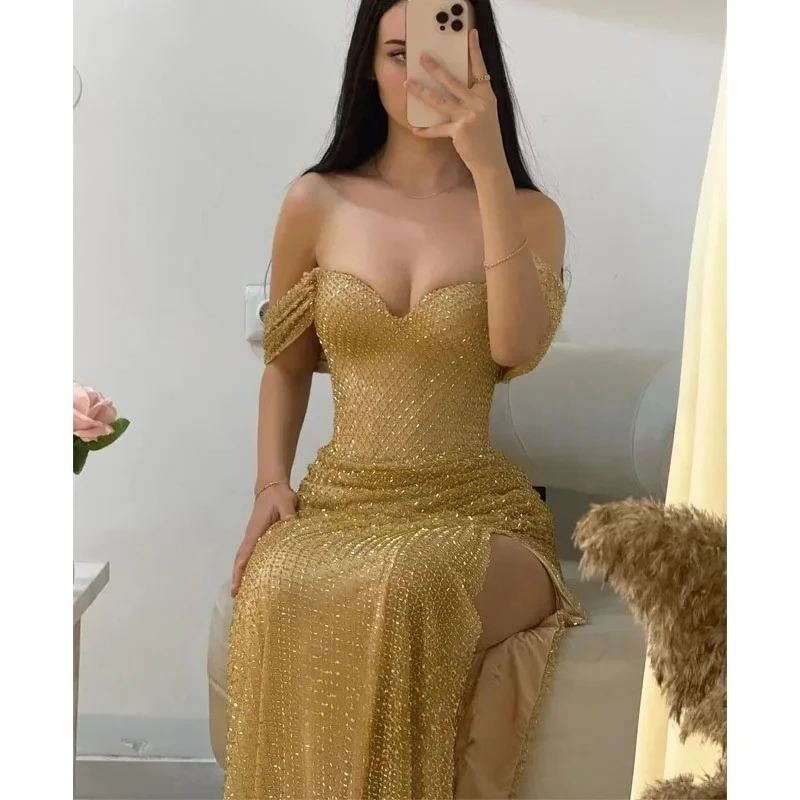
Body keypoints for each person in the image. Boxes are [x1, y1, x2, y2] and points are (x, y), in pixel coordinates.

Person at [224, 1, 585, 797]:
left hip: (478, 515)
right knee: (278, 582)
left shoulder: (531, 214)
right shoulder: (316, 201)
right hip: (344, 501)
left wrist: (488, 171)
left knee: (412, 582)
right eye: (397, 54)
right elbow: (286, 364)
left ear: (480, 64)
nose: (421, 75)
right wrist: (270, 483)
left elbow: (513, 348)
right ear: (368, 67)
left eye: (441, 54)